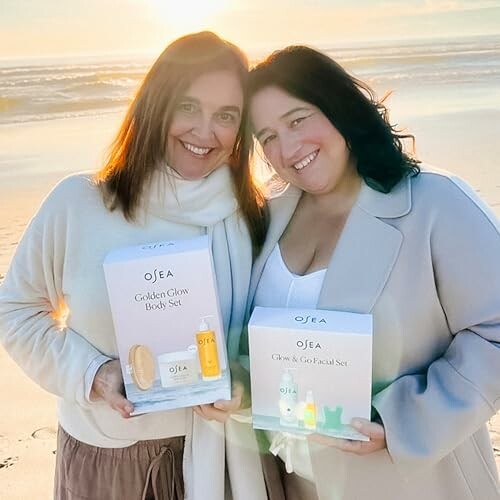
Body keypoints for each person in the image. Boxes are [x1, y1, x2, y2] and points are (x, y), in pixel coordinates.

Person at [0, 32, 268, 500]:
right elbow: (16, 310)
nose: (205, 132)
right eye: (187, 107)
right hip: (110, 457)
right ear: (156, 104)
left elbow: (265, 335)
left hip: (226, 459)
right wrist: (95, 374)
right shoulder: (81, 203)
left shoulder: (252, 217)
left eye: (226, 116)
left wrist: (242, 384)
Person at [244, 45, 500, 500]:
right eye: (267, 136)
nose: (286, 148)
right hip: (299, 483)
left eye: (298, 119)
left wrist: (401, 423)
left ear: (338, 107)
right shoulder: (267, 219)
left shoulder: (434, 203)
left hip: (414, 482)